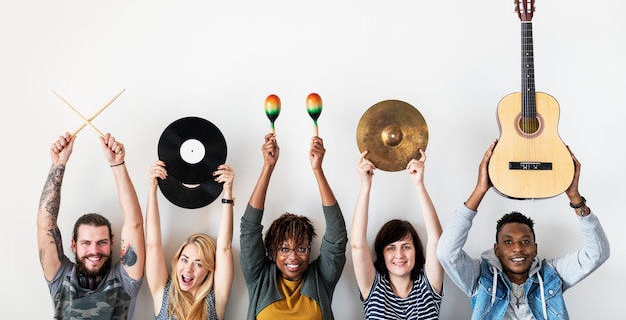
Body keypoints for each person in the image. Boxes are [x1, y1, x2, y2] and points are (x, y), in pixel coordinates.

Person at [436, 141, 610, 320]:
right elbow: (446, 252)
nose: (518, 248)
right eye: (508, 242)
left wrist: (575, 197)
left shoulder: (552, 275)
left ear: (535, 248)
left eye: (525, 241)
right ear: (497, 250)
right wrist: (480, 190)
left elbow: (597, 253)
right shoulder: (480, 277)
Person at [37, 132, 145, 319]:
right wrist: (58, 164)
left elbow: (134, 224)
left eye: (101, 242)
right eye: (86, 243)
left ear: (112, 243)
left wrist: (117, 163)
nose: (94, 250)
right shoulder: (61, 277)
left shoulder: (124, 281)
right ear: (74, 245)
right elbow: (45, 226)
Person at [240, 133, 348, 320]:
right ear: (273, 251)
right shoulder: (260, 277)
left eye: (301, 248)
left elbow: (337, 234)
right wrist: (268, 167)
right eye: (284, 248)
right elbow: (249, 228)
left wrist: (318, 170)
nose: (293, 257)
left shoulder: (321, 278)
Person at [351, 149, 444, 320]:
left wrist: (419, 185)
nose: (399, 255)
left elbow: (437, 242)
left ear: (416, 251)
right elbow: (357, 245)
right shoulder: (374, 287)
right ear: (382, 253)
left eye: (406, 247)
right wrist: (365, 186)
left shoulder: (428, 286)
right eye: (391, 248)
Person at [145, 160, 235, 320]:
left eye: (199, 263)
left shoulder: (215, 301)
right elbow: (152, 245)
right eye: (185, 259)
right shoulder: (163, 295)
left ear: (209, 270)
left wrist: (228, 191)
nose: (188, 269)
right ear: (176, 260)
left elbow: (225, 248)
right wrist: (152, 189)